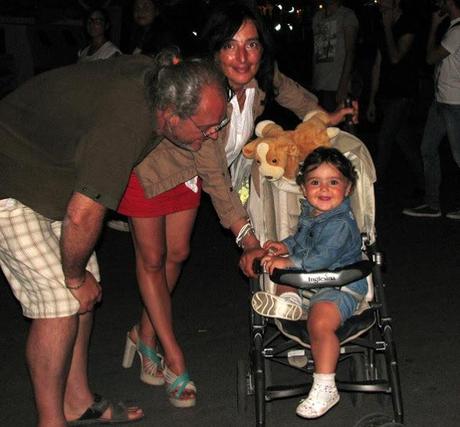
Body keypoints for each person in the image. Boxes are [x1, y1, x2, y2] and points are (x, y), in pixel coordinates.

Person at [119, 0, 359, 410]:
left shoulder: (260, 77)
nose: (242, 57)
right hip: (156, 169)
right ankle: (170, 355)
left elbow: (292, 92)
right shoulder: (207, 92)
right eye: (230, 46)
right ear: (214, 50)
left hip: (191, 176)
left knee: (178, 254)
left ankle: (143, 333)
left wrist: (325, 117)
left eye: (251, 45)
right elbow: (217, 178)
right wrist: (247, 238)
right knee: (154, 260)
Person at [0, 51, 227, 426]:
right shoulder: (126, 124)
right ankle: (50, 420)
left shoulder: (160, 82)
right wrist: (73, 277)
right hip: (9, 173)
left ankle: (77, 401)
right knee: (60, 298)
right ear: (171, 115)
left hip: (50, 172)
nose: (213, 134)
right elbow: (82, 214)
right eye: (206, 128)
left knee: (85, 293)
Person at [251, 147, 368, 419]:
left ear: (348, 188)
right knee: (281, 277)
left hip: (338, 286)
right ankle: (289, 303)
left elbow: (320, 257)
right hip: (309, 284)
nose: (324, 189)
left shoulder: (340, 223)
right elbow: (302, 242)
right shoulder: (310, 213)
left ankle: (326, 386)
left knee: (319, 324)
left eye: (333, 182)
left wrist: (289, 262)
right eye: (315, 182)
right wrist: (284, 247)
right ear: (304, 188)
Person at [402, 0, 460, 219]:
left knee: (458, 156)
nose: (438, 4)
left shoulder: (456, 31)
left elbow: (430, 58)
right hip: (441, 101)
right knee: (427, 149)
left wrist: (434, 26)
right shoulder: (454, 29)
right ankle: (432, 203)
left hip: (455, 103)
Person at [366, 0, 424, 193]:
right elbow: (378, 64)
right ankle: (426, 183)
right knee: (404, 141)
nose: (380, 4)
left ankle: (374, 186)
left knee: (385, 139)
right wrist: (372, 100)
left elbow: (395, 57)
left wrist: (389, 28)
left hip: (403, 93)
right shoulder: (382, 27)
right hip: (385, 93)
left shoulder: (408, 23)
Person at [312, 0, 359, 112]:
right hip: (319, 85)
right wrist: (313, 78)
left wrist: (343, 85)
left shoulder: (347, 15)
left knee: (336, 126)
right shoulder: (317, 17)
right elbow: (316, 50)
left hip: (336, 85)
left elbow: (350, 52)